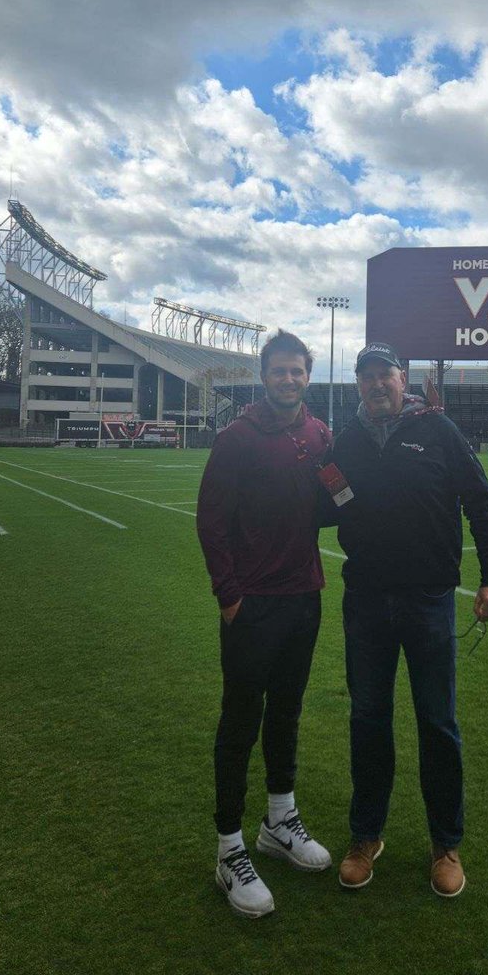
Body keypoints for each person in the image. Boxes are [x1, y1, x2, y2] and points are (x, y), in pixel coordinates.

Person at [325, 342, 488, 898]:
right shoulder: (346, 440)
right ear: (357, 384)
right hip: (366, 601)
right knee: (368, 719)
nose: (376, 384)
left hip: (429, 599)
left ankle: (446, 844)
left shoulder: (438, 430)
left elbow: (481, 502)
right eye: (366, 377)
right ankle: (366, 836)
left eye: (386, 374)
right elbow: (332, 498)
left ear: (403, 380)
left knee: (437, 723)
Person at [197, 329, 332, 919]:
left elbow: (338, 499)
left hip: (305, 598)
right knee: (241, 717)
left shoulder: (320, 434)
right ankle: (229, 848)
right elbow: (211, 522)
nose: (289, 380)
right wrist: (229, 596)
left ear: (308, 374)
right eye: (279, 371)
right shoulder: (237, 438)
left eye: (297, 371)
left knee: (287, 710)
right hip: (253, 604)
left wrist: (379, 511)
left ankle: (280, 820)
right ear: (264, 375)